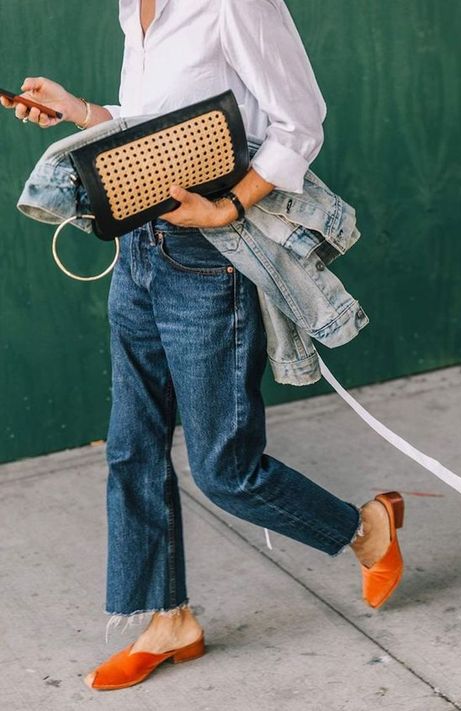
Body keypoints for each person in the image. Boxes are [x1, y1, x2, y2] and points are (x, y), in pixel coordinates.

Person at [1, 0, 405, 692]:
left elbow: (299, 121)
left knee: (225, 469)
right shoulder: (134, 6)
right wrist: (79, 111)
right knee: (132, 445)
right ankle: (169, 617)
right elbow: (155, 131)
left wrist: (229, 205)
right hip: (137, 252)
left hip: (205, 260)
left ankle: (366, 530)